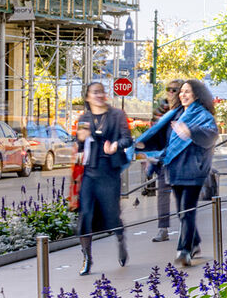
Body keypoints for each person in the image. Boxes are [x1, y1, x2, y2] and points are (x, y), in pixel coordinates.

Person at [138, 78, 219, 267]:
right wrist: (146, 149)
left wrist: (190, 131)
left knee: (187, 211)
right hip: (174, 169)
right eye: (180, 91)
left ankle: (184, 250)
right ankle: (195, 242)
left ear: (197, 95)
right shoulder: (174, 114)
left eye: (187, 91)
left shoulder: (203, 115)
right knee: (183, 212)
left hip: (193, 170)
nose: (182, 94)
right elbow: (161, 138)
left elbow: (211, 134)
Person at [73, 79, 132, 275]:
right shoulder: (85, 117)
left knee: (112, 215)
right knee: (85, 216)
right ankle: (86, 257)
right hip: (90, 172)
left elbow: (127, 138)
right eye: (94, 92)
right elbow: (80, 143)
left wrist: (116, 145)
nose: (98, 95)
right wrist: (80, 143)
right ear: (88, 97)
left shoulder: (116, 115)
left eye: (101, 92)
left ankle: (120, 239)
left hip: (109, 171)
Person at [145, 80, 182, 242]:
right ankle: (163, 228)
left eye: (174, 90)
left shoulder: (187, 110)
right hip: (163, 159)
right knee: (163, 194)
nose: (170, 93)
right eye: (169, 90)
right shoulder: (161, 108)